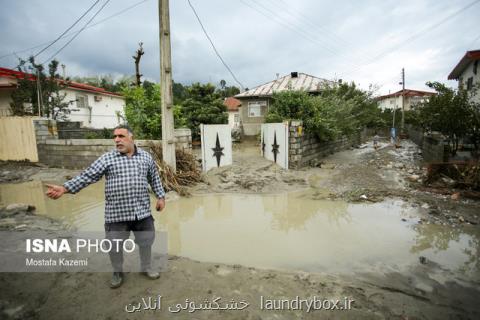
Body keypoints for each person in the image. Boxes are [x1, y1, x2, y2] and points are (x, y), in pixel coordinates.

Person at [45, 124, 166, 289]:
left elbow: (154, 178)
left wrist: (160, 197)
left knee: (146, 241)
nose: (117, 140)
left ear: (131, 137)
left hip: (142, 212)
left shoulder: (145, 157)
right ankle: (117, 272)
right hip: (116, 214)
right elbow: (88, 175)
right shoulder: (108, 158)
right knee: (115, 245)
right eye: (115, 137)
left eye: (121, 136)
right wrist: (65, 188)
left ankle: (146, 267)